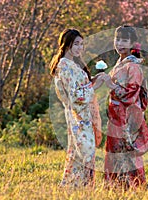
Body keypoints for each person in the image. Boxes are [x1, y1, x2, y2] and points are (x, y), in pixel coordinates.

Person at [49, 28, 103, 187]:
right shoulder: (64, 66)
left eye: (82, 44)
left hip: (83, 115)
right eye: (77, 44)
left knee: (81, 152)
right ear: (67, 45)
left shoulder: (72, 64)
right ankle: (78, 187)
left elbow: (80, 87)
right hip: (77, 115)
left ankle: (76, 187)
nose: (80, 47)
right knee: (84, 152)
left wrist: (93, 80)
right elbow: (75, 96)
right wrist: (95, 86)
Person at [102, 25, 148, 189]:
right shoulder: (121, 63)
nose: (120, 43)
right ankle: (115, 188)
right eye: (117, 39)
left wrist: (111, 85)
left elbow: (131, 95)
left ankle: (131, 188)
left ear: (132, 43)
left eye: (124, 40)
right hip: (116, 116)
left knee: (127, 154)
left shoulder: (134, 66)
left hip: (127, 118)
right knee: (115, 152)